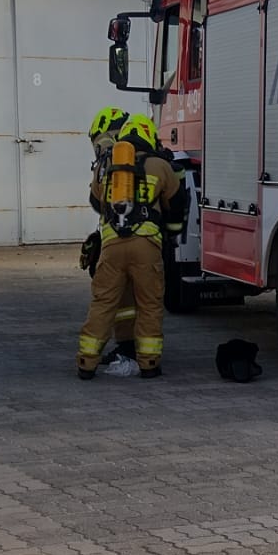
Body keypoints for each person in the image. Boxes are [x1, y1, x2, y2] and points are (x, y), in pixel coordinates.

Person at [76, 107, 184, 382]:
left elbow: (96, 202)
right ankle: (148, 362)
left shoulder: (105, 166)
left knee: (103, 303)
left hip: (112, 247)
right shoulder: (160, 165)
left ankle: (86, 362)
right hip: (146, 246)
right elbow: (176, 205)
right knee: (149, 304)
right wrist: (171, 233)